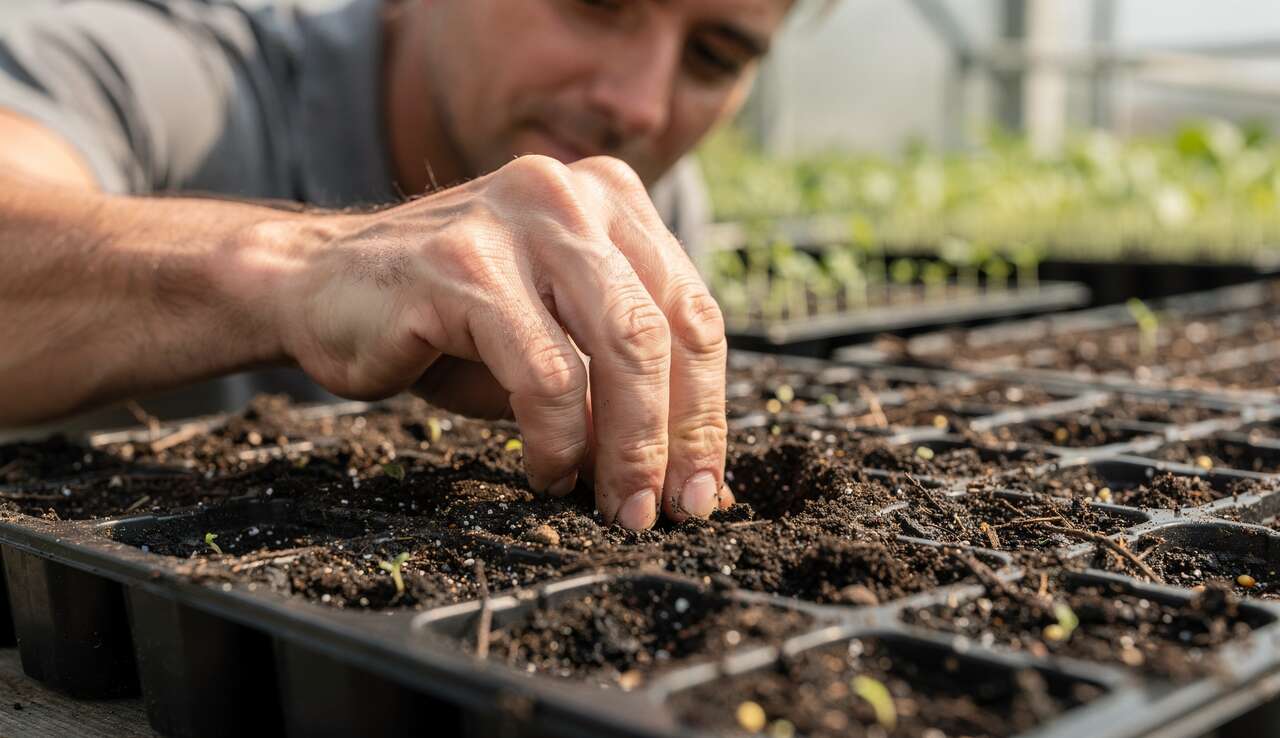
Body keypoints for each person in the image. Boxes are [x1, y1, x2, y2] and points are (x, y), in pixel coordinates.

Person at [0, 0, 792, 530]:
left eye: (714, 57)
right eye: (596, 2)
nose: (640, 105)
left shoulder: (635, 197)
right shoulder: (165, 75)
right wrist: (294, 272)